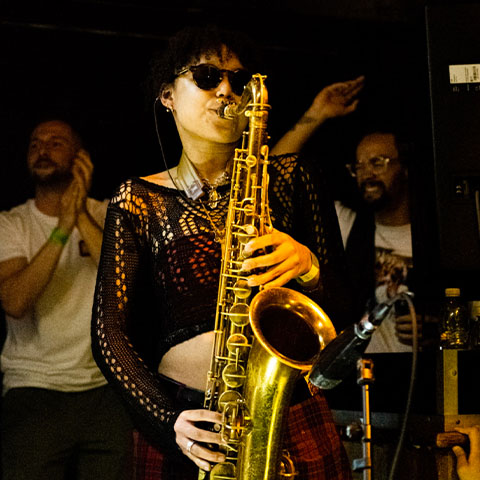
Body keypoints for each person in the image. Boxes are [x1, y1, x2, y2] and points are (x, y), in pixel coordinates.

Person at [91, 25, 354, 480]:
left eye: (239, 79)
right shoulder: (137, 198)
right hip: (191, 425)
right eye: (208, 76)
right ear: (167, 95)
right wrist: (167, 420)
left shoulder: (290, 178)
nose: (227, 90)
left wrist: (309, 267)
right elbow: (109, 333)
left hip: (288, 412)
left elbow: (346, 311)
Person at [0, 119, 133, 479]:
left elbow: (123, 282)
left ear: (80, 158)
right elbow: (14, 301)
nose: (42, 149)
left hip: (105, 385)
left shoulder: (106, 213)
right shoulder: (12, 223)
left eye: (55, 142)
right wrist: (62, 228)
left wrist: (79, 218)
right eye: (34, 143)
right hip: (34, 386)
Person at [272, 81, 436, 352]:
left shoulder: (438, 234)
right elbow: (276, 177)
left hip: (423, 379)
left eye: (377, 162)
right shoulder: (347, 224)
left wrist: (438, 327)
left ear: (406, 168)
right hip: (359, 381)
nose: (365, 174)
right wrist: (317, 113)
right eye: (358, 166)